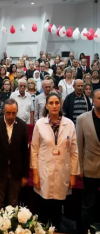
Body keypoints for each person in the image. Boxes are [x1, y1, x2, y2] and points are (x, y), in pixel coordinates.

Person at [31, 92, 78, 230]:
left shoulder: (69, 124)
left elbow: (74, 152)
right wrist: (35, 175)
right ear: (46, 105)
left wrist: (73, 175)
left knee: (57, 211)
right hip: (44, 172)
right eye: (51, 103)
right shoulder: (40, 124)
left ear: (61, 104)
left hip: (62, 171)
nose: (54, 106)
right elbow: (34, 150)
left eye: (57, 103)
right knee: (43, 211)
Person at [0, 98, 29, 214]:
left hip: (16, 171)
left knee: (13, 202)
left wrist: (25, 175)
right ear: (3, 112)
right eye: (8, 113)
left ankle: (12, 229)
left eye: (14, 113)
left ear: (17, 111)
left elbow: (25, 152)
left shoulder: (22, 125)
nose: (11, 116)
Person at [76, 89, 100, 233]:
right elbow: (79, 145)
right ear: (92, 100)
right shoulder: (82, 119)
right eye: (99, 98)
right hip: (90, 168)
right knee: (88, 204)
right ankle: (87, 231)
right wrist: (79, 168)